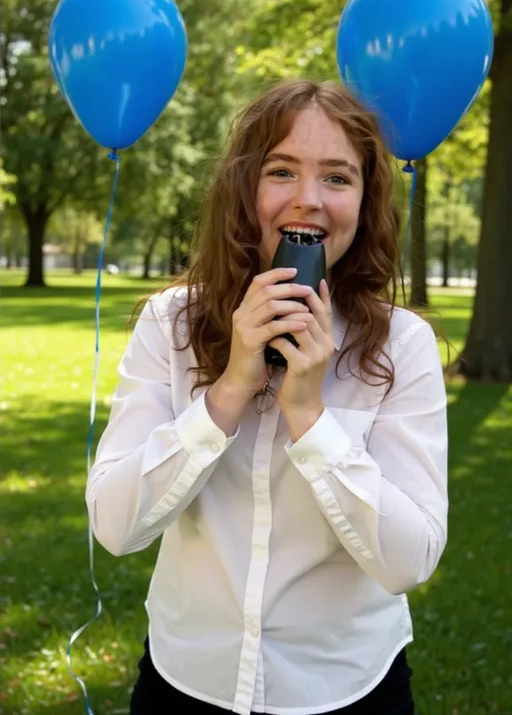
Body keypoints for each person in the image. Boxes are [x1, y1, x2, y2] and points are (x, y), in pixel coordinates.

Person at [86, 80, 448, 715]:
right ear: (244, 189)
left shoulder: (401, 344)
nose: (308, 199)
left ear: (365, 201)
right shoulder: (171, 324)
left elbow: (410, 560)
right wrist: (228, 389)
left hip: (345, 687)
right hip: (187, 677)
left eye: (337, 177)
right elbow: (116, 527)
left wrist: (309, 415)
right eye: (281, 171)